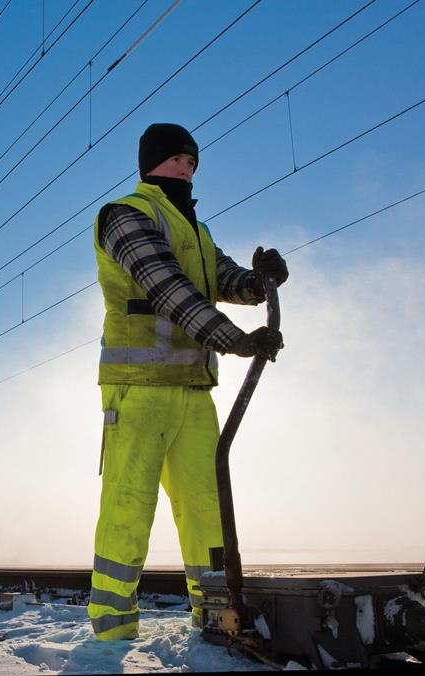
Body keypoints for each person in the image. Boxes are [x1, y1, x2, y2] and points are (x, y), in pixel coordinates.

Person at [87, 122, 287, 640]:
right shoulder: (125, 216)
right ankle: (111, 634)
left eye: (193, 161)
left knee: (206, 513)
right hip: (137, 392)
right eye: (177, 159)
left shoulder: (196, 231)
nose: (187, 168)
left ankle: (214, 619)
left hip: (194, 394)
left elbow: (224, 280)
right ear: (152, 162)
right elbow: (167, 289)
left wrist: (261, 279)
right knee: (129, 508)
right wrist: (235, 340)